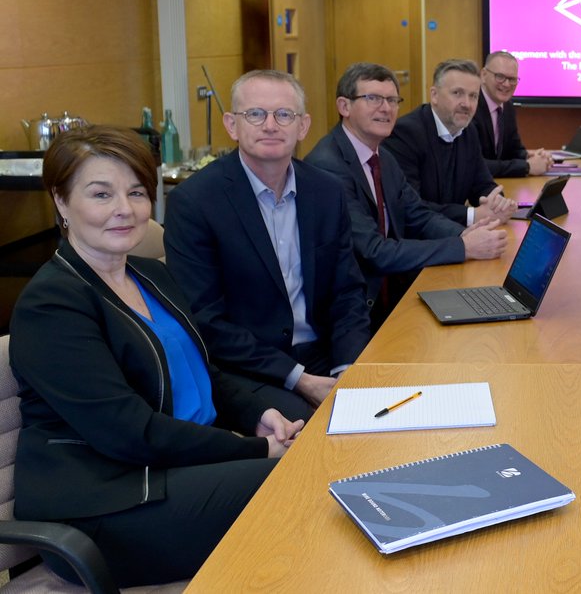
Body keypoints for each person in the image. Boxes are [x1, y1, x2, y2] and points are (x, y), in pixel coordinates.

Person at [10, 126, 304, 587]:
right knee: (299, 487)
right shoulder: (52, 304)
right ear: (62, 202)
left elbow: (204, 372)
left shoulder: (151, 274)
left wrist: (258, 414)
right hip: (103, 505)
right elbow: (129, 432)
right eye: (101, 194)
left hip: (177, 468)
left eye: (137, 193)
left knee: (321, 445)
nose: (124, 210)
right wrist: (255, 448)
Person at [165, 70, 371, 421]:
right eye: (255, 114)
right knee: (316, 429)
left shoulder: (326, 192)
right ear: (232, 125)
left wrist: (346, 367)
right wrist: (300, 380)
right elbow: (206, 321)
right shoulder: (194, 202)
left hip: (322, 352)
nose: (271, 125)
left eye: (284, 115)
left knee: (385, 407)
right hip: (246, 366)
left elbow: (347, 290)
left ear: (303, 127)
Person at [306, 62, 507, 329]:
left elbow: (417, 214)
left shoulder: (382, 157)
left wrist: (463, 234)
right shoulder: (329, 166)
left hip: (390, 292)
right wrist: (463, 247)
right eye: (373, 99)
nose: (386, 108)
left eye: (392, 100)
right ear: (344, 107)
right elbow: (373, 251)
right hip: (350, 313)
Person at [383, 58, 517, 226]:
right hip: (421, 241)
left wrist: (497, 203)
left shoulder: (468, 131)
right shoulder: (406, 133)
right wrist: (471, 215)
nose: (466, 104)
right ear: (434, 95)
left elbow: (482, 183)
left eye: (473, 96)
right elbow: (411, 206)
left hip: (455, 234)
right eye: (457, 93)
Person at [473, 51, 553, 177]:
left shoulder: (508, 106)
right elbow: (475, 164)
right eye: (500, 77)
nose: (506, 84)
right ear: (483, 75)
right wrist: (527, 167)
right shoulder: (471, 106)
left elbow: (513, 149)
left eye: (512, 79)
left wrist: (529, 156)